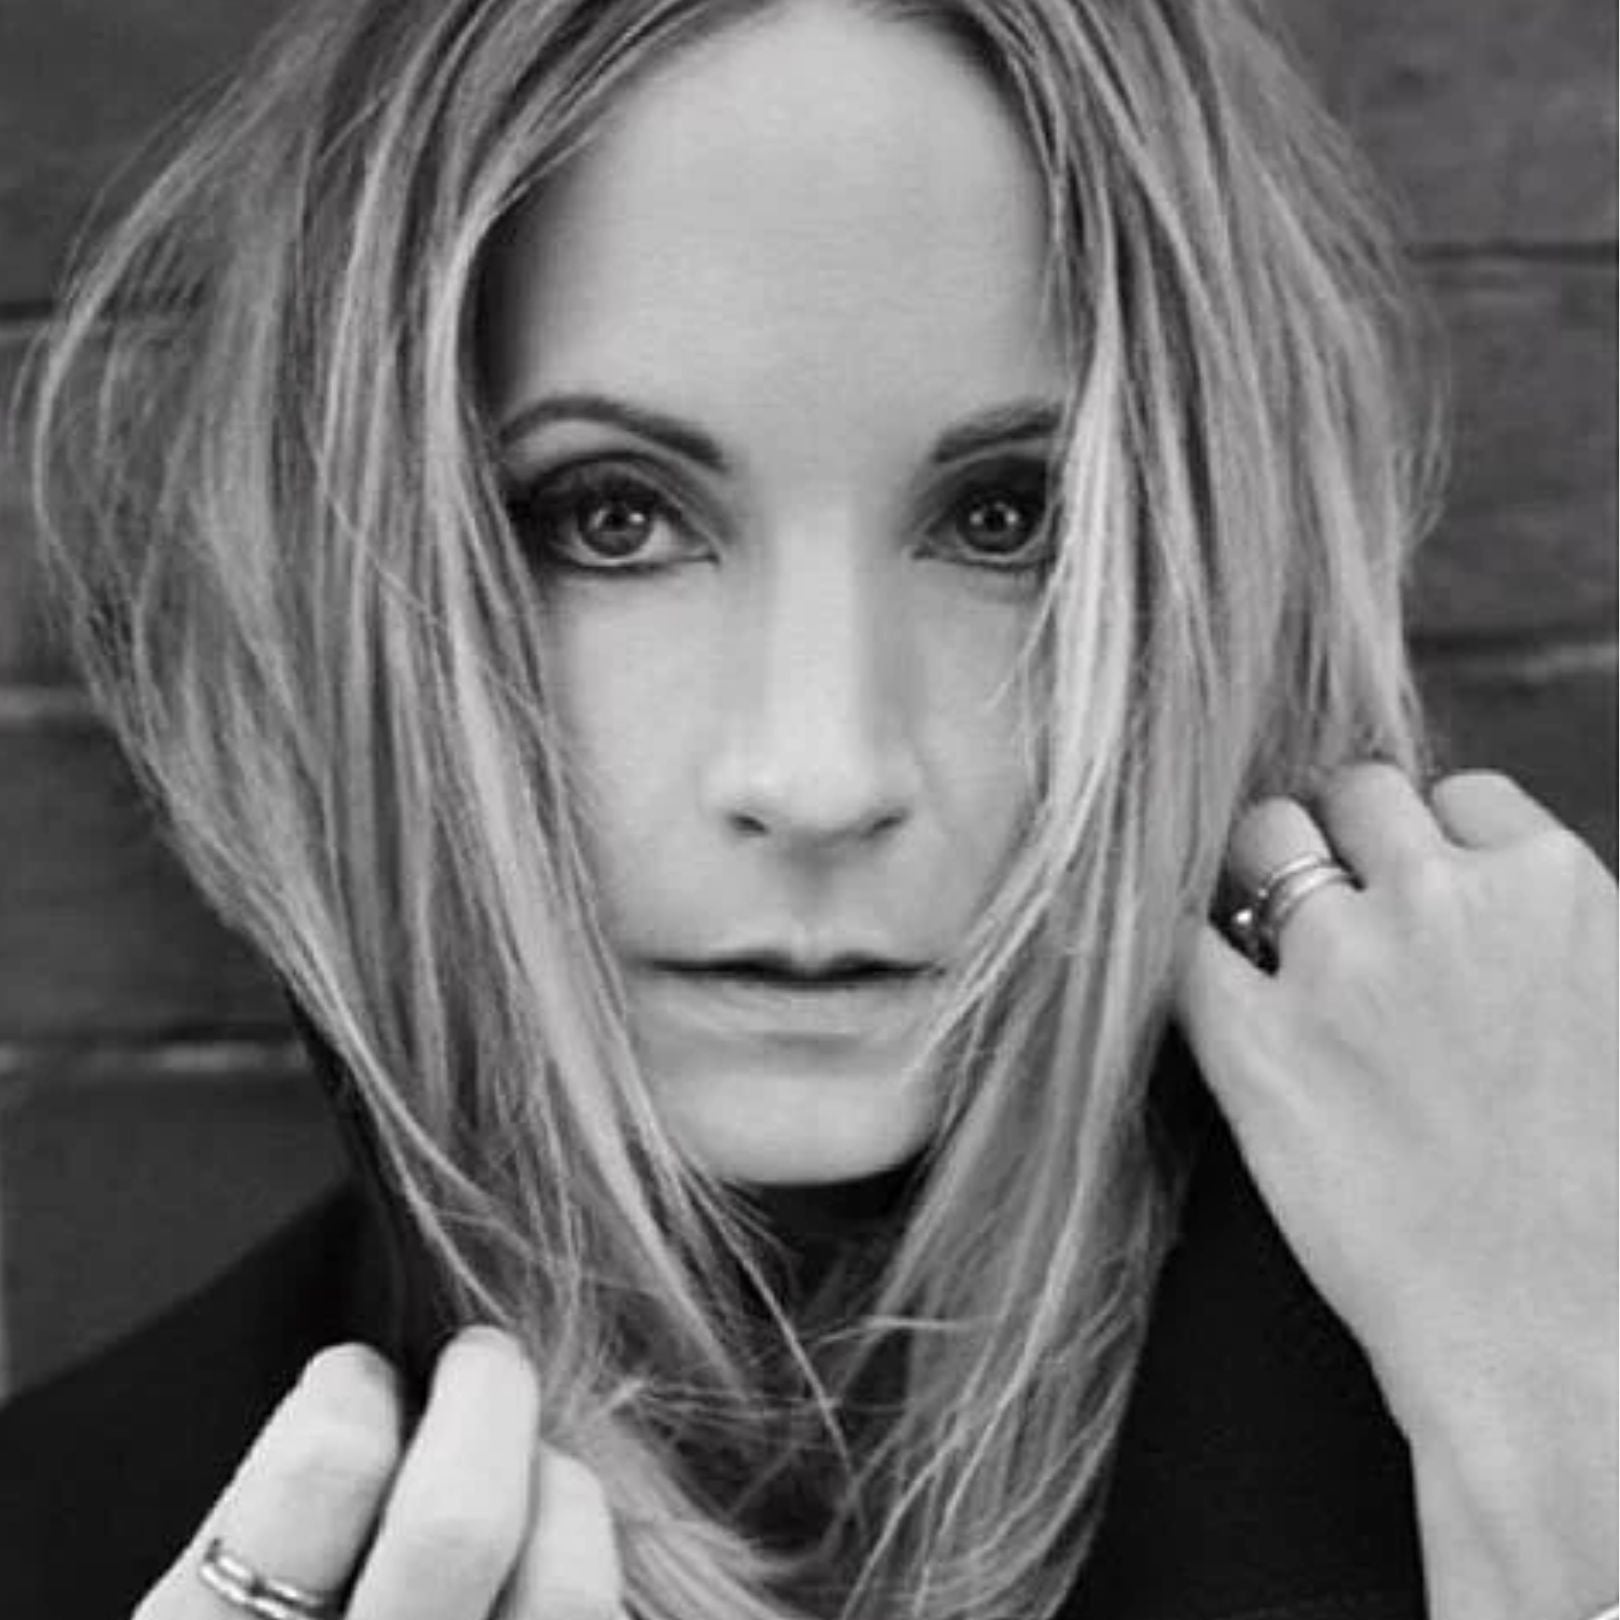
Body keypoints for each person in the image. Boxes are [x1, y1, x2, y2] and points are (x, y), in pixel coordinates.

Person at [1, 0, 1613, 1616]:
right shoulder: (79, 1537)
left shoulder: (1515, 1338)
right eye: (612, 516)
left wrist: (1566, 1432)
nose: (823, 774)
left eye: (1008, 518)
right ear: (347, 567)